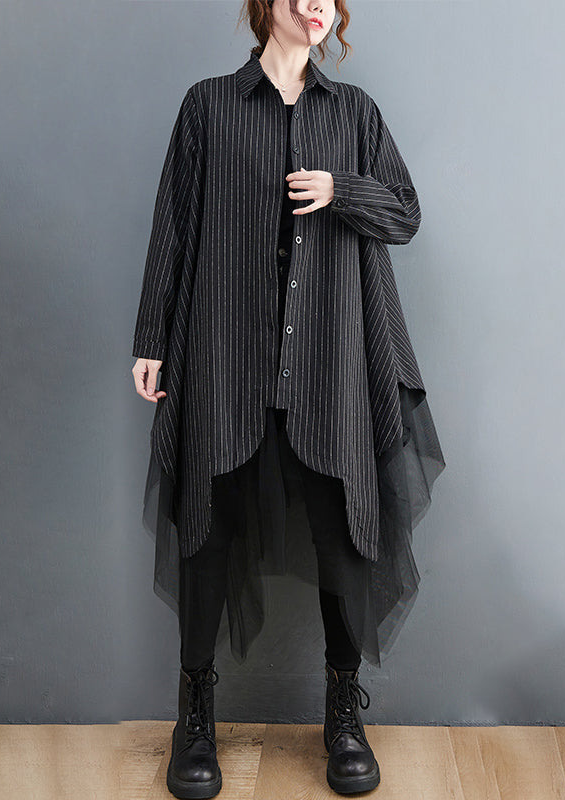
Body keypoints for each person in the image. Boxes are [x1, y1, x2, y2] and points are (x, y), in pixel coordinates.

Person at [131, 1, 446, 797]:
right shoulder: (208, 106)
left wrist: (342, 190)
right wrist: (152, 338)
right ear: (264, 4)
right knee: (207, 527)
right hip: (225, 352)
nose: (317, 6)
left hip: (329, 361)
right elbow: (175, 223)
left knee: (345, 534)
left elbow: (405, 213)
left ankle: (343, 713)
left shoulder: (355, 114)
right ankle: (195, 716)